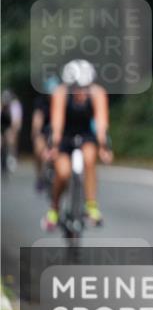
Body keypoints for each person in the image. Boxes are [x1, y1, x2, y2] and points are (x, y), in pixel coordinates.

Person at [41, 60, 113, 231]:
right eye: (76, 88)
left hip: (86, 135)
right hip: (65, 136)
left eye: (85, 87)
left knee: (89, 159)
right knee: (63, 173)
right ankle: (54, 209)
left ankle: (91, 206)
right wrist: (53, 145)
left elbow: (101, 123)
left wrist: (104, 147)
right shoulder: (60, 93)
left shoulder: (98, 93)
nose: (81, 92)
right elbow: (57, 124)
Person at [31, 76, 60, 192]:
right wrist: (36, 134)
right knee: (39, 149)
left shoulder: (63, 101)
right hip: (45, 131)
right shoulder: (41, 102)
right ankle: (40, 176)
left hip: (59, 131)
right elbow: (37, 119)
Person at [1, 89, 23, 173]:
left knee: (11, 137)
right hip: (2, 127)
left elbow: (16, 123)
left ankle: (11, 156)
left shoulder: (15, 106)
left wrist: (12, 132)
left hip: (11, 127)